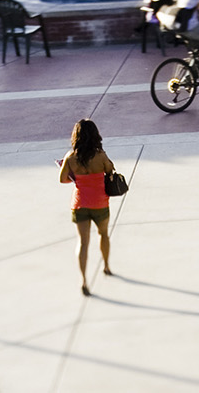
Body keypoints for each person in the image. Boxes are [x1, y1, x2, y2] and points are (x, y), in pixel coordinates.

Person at [59, 118, 117, 295]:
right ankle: (106, 266)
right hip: (99, 202)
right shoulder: (100, 155)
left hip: (80, 204)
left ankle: (83, 280)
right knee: (103, 234)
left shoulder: (70, 157)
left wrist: (75, 176)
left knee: (83, 243)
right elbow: (111, 170)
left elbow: (62, 179)